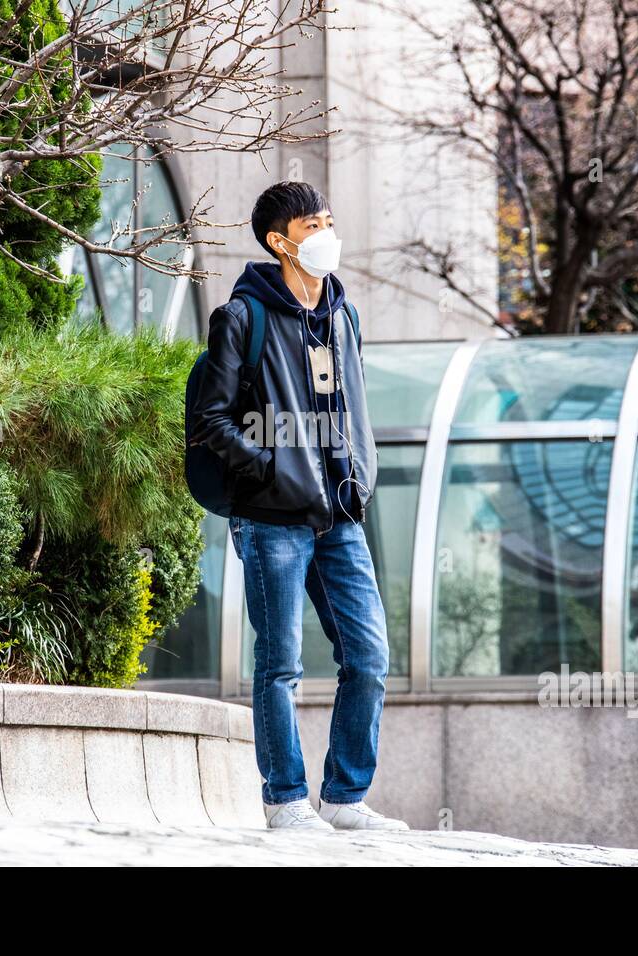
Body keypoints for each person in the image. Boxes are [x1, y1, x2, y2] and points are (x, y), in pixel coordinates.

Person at [189, 181, 407, 831]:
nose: (326, 233)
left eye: (329, 220)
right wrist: (270, 469)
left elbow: (352, 410)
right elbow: (212, 420)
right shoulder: (242, 318)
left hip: (339, 517)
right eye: (313, 225)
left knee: (367, 657)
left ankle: (343, 798)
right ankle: (285, 799)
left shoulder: (345, 317)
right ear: (280, 242)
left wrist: (357, 478)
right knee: (280, 663)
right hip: (270, 520)